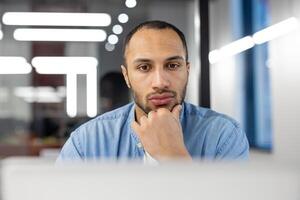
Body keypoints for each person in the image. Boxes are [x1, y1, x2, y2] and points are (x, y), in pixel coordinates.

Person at [57, 20, 249, 162]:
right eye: (144, 67)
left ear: (187, 71)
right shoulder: (86, 142)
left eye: (172, 65)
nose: (160, 82)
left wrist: (174, 157)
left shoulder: (224, 136)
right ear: (126, 76)